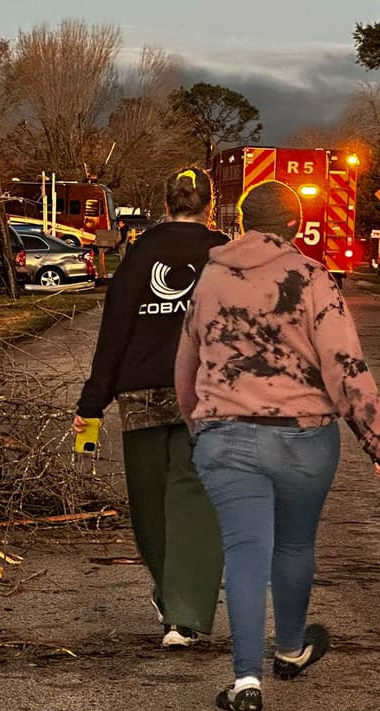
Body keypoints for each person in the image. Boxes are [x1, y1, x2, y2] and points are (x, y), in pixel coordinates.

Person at [174, 180, 380, 711]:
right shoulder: (312, 277)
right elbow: (344, 363)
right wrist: (376, 438)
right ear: (297, 225)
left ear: (242, 222)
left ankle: (246, 680)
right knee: (294, 545)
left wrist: (196, 422)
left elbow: (187, 360)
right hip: (304, 438)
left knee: (244, 551)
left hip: (226, 434)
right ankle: (291, 649)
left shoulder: (211, 278)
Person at [73, 167, 228, 649]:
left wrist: (92, 402)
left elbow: (115, 331)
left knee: (151, 502)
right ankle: (185, 611)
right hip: (207, 396)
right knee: (198, 500)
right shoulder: (225, 254)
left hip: (141, 397)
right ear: (210, 206)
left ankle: (170, 595)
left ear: (165, 203)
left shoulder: (140, 254)